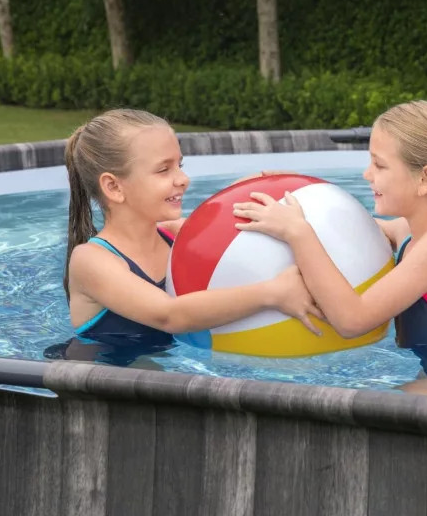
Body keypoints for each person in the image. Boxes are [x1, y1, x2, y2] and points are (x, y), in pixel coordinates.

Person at [233, 101, 427, 396]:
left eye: (379, 165)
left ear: (425, 179)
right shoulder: (410, 232)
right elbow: (344, 225)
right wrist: (296, 190)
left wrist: (297, 232)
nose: (367, 175)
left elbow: (352, 320)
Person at [62, 108, 322, 357]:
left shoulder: (174, 235)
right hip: (100, 378)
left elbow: (220, 224)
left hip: (162, 371)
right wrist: (272, 293)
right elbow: (170, 315)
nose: (183, 179)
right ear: (114, 187)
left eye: (180, 165)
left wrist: (265, 186)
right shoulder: (90, 261)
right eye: (164, 170)